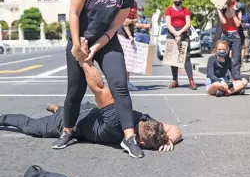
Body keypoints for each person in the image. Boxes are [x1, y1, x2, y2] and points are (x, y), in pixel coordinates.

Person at [0, 43, 182, 153]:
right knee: (29, 126)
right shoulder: (115, 124)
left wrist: (169, 140)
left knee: (67, 108)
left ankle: (56, 107)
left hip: (89, 111)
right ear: (141, 143)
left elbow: (175, 129)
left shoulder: (145, 121)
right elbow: (99, 87)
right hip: (67, 121)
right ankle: (4, 118)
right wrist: (84, 60)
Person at [58, 0, 144, 158]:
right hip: (79, 39)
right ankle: (67, 131)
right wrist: (77, 46)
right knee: (75, 91)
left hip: (106, 42)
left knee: (120, 86)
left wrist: (96, 47)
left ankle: (129, 138)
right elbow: (74, 12)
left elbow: (115, 27)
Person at [164, 0, 197, 90]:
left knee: (186, 58)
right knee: (174, 59)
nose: (177, 0)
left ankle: (191, 80)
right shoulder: (168, 10)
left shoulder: (185, 10)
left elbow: (188, 24)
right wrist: (175, 33)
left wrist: (180, 33)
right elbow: (168, 24)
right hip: (172, 33)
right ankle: (175, 80)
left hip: (183, 33)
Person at [117, 0, 140, 91]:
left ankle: (127, 82)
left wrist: (132, 21)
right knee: (123, 58)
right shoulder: (121, 2)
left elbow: (135, 19)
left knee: (129, 58)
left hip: (130, 32)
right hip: (121, 32)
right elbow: (124, 22)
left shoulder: (134, 4)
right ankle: (122, 82)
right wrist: (130, 34)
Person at [217, 0, 242, 77]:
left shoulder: (238, 10)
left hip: (235, 35)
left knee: (236, 59)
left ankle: (236, 77)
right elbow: (224, 22)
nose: (229, 0)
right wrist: (218, 10)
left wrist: (233, 13)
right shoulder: (223, 10)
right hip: (225, 35)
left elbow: (238, 24)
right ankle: (224, 76)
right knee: (223, 57)